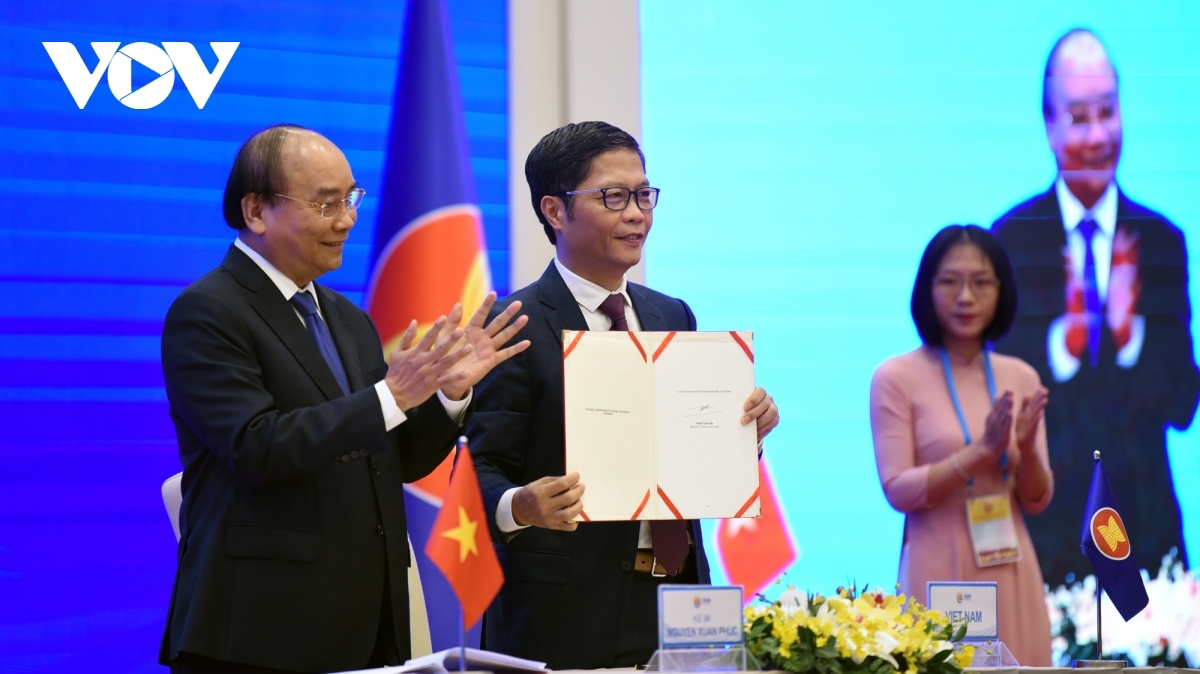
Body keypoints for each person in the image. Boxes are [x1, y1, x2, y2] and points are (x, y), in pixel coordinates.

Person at [158, 124, 529, 674]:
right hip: (259, 633)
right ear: (256, 211)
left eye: (351, 198)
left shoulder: (346, 320)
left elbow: (396, 458)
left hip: (367, 628)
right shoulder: (208, 311)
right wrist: (390, 394)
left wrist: (449, 395)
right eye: (325, 203)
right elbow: (256, 446)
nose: (347, 220)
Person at [465, 121, 781, 669]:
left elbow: (688, 455)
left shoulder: (671, 314)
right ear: (555, 211)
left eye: (643, 195)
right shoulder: (513, 323)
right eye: (613, 197)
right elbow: (480, 471)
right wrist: (522, 505)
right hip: (564, 614)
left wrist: (744, 436)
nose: (637, 213)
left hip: (678, 600)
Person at [992, 29, 1200, 587]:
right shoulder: (1010, 242)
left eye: (1108, 112)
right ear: (1049, 124)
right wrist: (1066, 348)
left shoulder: (1161, 242)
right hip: (1044, 540)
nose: (1099, 134)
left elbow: (1182, 404)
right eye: (1080, 118)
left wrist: (1129, 340)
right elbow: (1000, 410)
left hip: (1147, 539)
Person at [870, 225, 1054, 666]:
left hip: (1009, 569)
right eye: (950, 281)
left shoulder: (1021, 376)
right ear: (926, 288)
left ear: (1001, 290)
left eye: (981, 282)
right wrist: (979, 452)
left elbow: (1036, 497)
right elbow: (898, 489)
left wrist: (1026, 449)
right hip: (936, 570)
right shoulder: (896, 377)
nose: (965, 296)